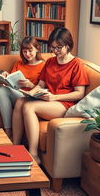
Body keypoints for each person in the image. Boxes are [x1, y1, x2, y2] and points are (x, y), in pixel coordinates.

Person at [12, 27, 89, 164]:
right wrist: (31, 93)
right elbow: (41, 84)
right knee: (20, 101)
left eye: (59, 48)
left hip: (63, 104)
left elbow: (79, 93)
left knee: (29, 108)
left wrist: (55, 97)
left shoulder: (77, 64)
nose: (55, 51)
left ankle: (34, 154)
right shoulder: (50, 61)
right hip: (47, 99)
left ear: (68, 45)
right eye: (52, 48)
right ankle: (15, 146)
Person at [0, 37, 45, 139]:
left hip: (30, 97)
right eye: (24, 51)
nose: (27, 54)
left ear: (37, 49)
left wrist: (30, 85)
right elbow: (11, 83)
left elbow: (43, 87)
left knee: (3, 91)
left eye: (30, 51)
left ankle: (8, 130)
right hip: (16, 94)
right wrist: (6, 76)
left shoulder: (43, 65)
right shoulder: (18, 63)